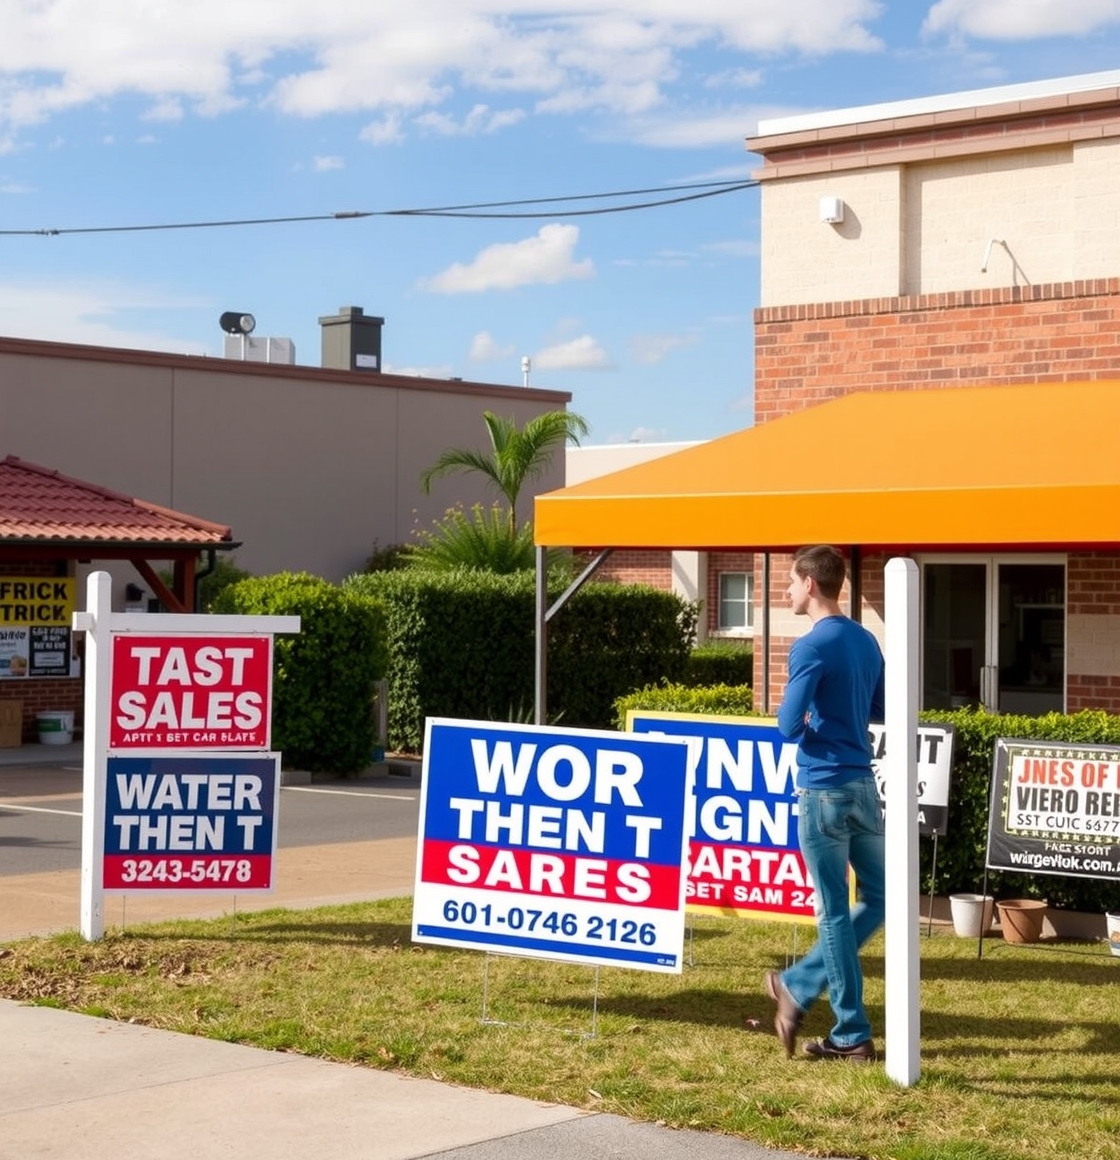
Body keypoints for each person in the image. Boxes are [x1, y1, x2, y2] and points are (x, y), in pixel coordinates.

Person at [765, 545, 885, 1063]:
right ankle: (816, 1000)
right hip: (863, 786)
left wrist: (814, 717)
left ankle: (842, 1023)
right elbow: (876, 709)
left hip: (822, 791)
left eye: (790, 583)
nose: (787, 592)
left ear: (811, 584)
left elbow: (787, 726)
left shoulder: (811, 646)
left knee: (834, 912)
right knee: (880, 897)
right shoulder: (865, 641)